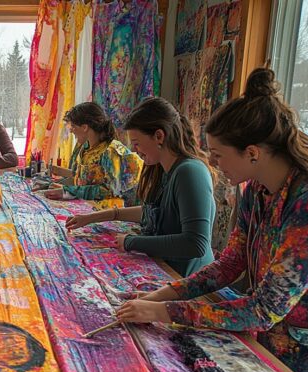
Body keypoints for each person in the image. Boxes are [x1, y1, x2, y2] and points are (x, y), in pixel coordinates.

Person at [115, 69, 308, 372]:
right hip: (266, 337)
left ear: (253, 152)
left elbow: (264, 310)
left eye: (218, 155)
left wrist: (163, 312)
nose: (213, 163)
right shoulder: (256, 191)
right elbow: (228, 265)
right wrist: (162, 294)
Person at [66, 97, 216, 276]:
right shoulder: (163, 169)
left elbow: (195, 244)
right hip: (166, 266)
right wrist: (92, 217)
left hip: (186, 277)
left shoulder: (190, 172)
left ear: (159, 136)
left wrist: (131, 242)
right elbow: (153, 212)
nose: (135, 150)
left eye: (136, 143)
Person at [44, 102, 142, 209]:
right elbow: (87, 178)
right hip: (87, 207)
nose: (71, 130)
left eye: (73, 126)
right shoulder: (85, 148)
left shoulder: (110, 151)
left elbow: (108, 190)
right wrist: (59, 175)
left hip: (111, 213)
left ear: (85, 127)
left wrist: (68, 191)